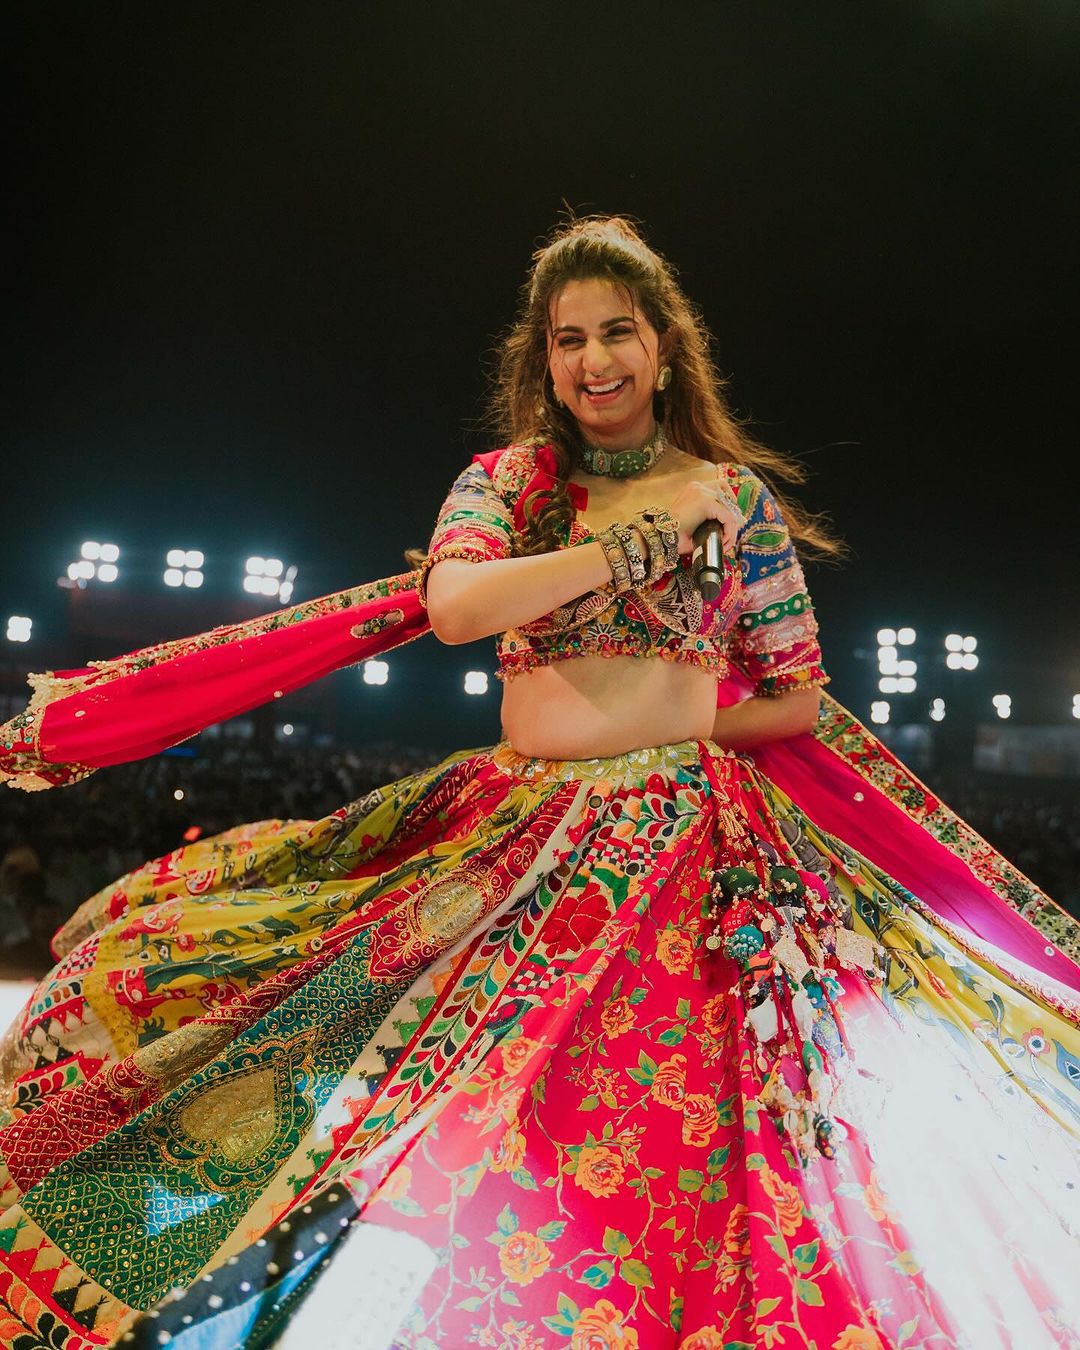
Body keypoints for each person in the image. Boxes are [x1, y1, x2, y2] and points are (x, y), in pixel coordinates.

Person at [0, 217, 1077, 1350]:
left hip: (690, 846)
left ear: (665, 346)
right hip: (514, 832)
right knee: (382, 1076)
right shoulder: (509, 484)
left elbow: (799, 694)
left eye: (618, 332)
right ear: (544, 358)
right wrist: (632, 549)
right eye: (569, 339)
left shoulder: (734, 500)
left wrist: (677, 717)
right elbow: (459, 610)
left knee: (684, 1140)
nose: (594, 361)